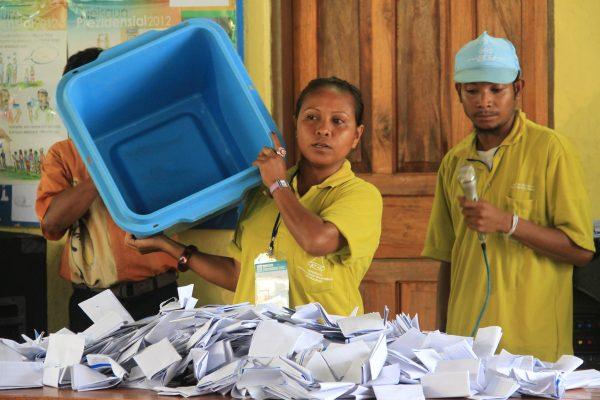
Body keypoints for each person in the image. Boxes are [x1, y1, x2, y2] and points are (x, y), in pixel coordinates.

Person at [127, 77, 383, 315]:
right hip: (260, 345)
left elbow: (316, 241)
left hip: (324, 350)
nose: (323, 130)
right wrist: (167, 246)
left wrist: (278, 185)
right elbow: (240, 274)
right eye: (312, 117)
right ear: (295, 124)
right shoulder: (261, 192)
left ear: (356, 135)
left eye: (338, 121)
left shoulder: (360, 196)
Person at [422, 32, 595, 361]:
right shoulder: (454, 161)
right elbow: (448, 258)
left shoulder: (550, 151)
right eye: (472, 90)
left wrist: (509, 223)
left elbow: (581, 251)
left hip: (533, 350)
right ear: (459, 92)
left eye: (496, 90)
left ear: (518, 89)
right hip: (465, 349)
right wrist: (443, 339)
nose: (484, 101)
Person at [35, 48, 178, 332]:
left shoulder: (151, 142)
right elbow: (52, 224)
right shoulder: (63, 155)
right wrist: (102, 172)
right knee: (91, 376)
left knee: (165, 376)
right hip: (93, 304)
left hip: (159, 297)